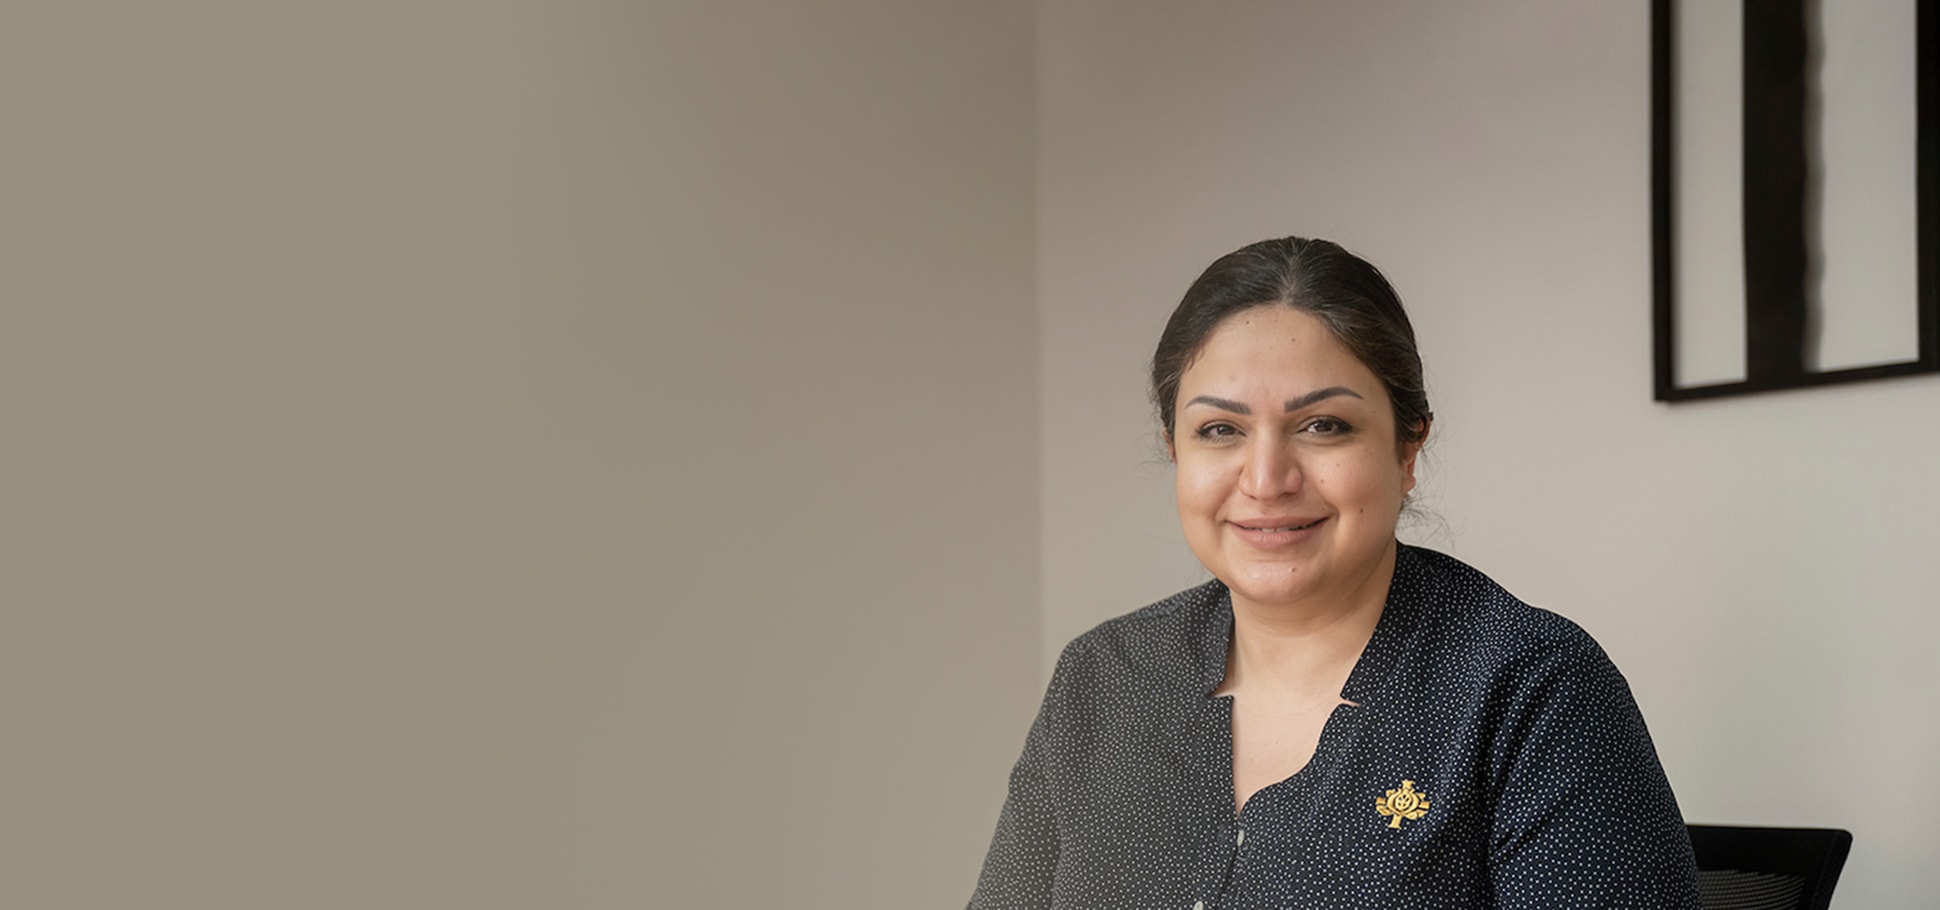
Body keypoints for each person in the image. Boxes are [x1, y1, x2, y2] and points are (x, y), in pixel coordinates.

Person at [967, 237, 1701, 909]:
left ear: (1407, 449)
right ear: (1175, 452)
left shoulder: (1530, 688)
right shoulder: (1102, 679)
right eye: (1220, 430)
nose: (1266, 478)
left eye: (1323, 426)